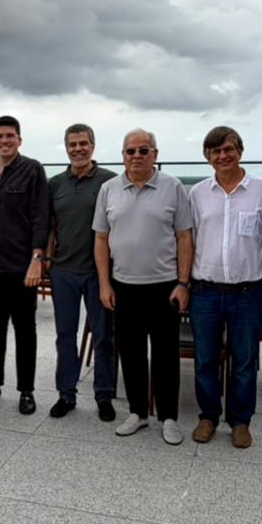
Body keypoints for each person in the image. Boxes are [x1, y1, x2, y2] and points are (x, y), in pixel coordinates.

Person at [94, 128, 193, 445]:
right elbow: (100, 238)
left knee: (166, 355)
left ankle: (169, 417)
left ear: (155, 154)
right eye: (130, 151)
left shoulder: (173, 187)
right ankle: (138, 412)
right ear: (123, 155)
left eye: (143, 150)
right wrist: (104, 283)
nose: (136, 156)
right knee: (132, 353)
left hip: (164, 287)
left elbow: (184, 237)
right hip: (123, 286)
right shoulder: (109, 189)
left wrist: (183, 282)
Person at [188, 126, 262, 449]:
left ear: (240, 150)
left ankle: (241, 421)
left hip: (247, 291)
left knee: (244, 360)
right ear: (208, 157)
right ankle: (208, 416)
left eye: (229, 149)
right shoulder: (197, 193)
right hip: (205, 290)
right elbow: (190, 240)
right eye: (216, 151)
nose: (223, 156)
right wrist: (185, 284)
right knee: (205, 359)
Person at [0, 116, 50, 415]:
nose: (5, 141)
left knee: (25, 328)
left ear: (19, 139)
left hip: (22, 264)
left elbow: (41, 216)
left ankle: (26, 390)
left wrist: (37, 260)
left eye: (10, 136)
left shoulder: (32, 169)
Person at [46, 123, 118, 422]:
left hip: (99, 273)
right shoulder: (55, 184)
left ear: (93, 146)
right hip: (63, 271)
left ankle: (104, 395)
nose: (78, 149)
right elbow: (49, 226)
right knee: (65, 335)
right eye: (73, 144)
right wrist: (46, 260)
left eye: (83, 143)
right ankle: (66, 394)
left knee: (104, 336)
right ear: (66, 148)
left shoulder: (110, 182)